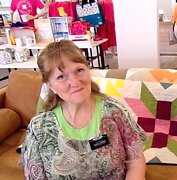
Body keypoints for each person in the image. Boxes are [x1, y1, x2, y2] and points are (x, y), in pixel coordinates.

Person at [20, 40, 147, 179]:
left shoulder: (114, 112)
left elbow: (136, 162)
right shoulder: (39, 128)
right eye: (61, 77)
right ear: (51, 85)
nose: (75, 82)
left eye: (79, 70)